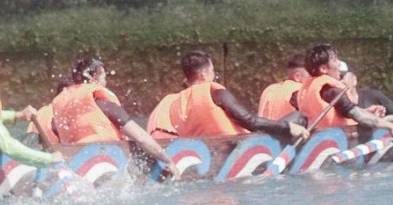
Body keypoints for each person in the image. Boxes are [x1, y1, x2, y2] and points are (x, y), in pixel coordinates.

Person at [46, 55, 180, 171]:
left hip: (74, 163)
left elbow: (55, 131)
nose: (106, 82)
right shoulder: (103, 104)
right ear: (93, 79)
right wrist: (168, 161)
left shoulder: (62, 108)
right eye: (104, 77)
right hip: (105, 162)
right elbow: (140, 137)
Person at [149, 49, 309, 145]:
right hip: (240, 146)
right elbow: (250, 121)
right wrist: (289, 128)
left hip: (208, 148)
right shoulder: (214, 91)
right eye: (213, 71)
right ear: (204, 74)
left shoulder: (175, 101)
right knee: (299, 116)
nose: (214, 75)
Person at [288, 44, 393, 137]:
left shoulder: (304, 90)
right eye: (335, 60)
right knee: (390, 121)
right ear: (323, 68)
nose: (339, 63)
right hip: (335, 139)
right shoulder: (331, 91)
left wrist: (366, 111)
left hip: (317, 136)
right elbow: (359, 116)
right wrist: (392, 127)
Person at [256, 54, 311, 118]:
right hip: (287, 127)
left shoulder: (269, 89)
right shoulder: (300, 91)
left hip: (262, 127)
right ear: (297, 76)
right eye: (310, 76)